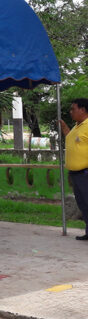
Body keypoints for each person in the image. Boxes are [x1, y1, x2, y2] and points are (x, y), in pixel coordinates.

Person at [60, 98, 88, 241]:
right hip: (76, 174)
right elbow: (72, 140)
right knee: (82, 204)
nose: (71, 112)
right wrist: (65, 129)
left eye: (73, 109)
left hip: (85, 173)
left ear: (82, 110)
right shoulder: (78, 126)